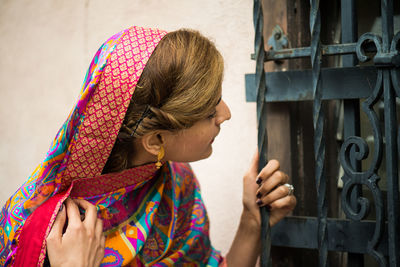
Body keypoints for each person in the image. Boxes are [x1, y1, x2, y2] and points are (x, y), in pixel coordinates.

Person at [0, 26, 296, 266]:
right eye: (208, 112)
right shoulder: (47, 231)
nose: (225, 114)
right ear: (155, 141)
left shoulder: (176, 185)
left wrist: (251, 221)